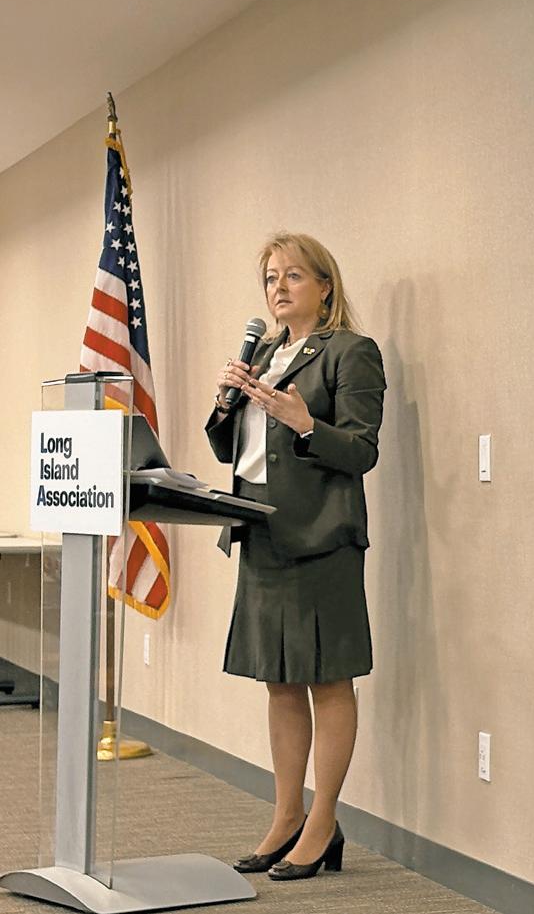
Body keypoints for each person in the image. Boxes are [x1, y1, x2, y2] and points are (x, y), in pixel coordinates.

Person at [206, 232, 386, 882]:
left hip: (321, 537)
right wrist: (226, 400)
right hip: (261, 529)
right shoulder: (261, 353)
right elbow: (231, 447)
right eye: (270, 277)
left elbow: (361, 449)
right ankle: (286, 815)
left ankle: (323, 820)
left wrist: (306, 423)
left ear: (324, 286)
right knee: (279, 680)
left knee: (327, 679)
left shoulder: (350, 352)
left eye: (292, 276)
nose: (278, 288)